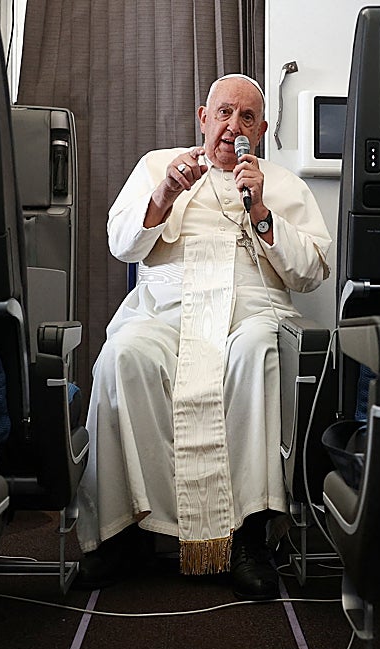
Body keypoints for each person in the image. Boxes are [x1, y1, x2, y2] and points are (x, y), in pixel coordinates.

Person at [74, 74, 332, 600]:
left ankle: (250, 535)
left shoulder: (281, 184)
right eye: (224, 113)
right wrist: (165, 193)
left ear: (260, 131)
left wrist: (261, 213)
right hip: (166, 311)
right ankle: (125, 533)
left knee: (259, 350)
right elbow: (121, 244)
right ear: (203, 118)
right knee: (124, 354)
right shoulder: (157, 165)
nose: (233, 126)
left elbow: (311, 272)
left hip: (247, 311)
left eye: (246, 117)